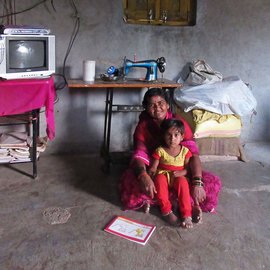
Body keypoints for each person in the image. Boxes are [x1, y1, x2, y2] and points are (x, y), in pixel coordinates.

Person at [119, 88, 221, 223]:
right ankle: (174, 205)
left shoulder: (180, 124)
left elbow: (193, 154)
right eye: (152, 105)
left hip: (179, 171)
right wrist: (144, 176)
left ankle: (186, 206)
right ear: (146, 108)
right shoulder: (143, 127)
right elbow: (140, 155)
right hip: (157, 168)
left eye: (161, 103)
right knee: (133, 182)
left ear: (167, 105)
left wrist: (197, 182)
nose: (157, 107)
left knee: (207, 184)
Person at [148, 118, 193, 228]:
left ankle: (187, 214)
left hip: (178, 176)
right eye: (168, 135)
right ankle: (166, 211)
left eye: (176, 135)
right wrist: (150, 174)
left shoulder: (185, 151)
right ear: (164, 136)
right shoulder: (160, 150)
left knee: (183, 183)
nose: (172, 139)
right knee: (159, 179)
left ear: (182, 137)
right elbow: (154, 167)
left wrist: (182, 172)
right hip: (163, 174)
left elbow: (188, 169)